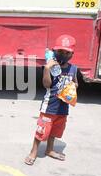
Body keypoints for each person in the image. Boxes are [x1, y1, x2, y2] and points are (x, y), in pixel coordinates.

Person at [24, 35, 78, 166]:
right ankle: (33, 152)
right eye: (60, 51)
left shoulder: (73, 68)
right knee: (41, 130)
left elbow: (76, 83)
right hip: (49, 107)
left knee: (54, 131)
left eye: (67, 52)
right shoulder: (50, 67)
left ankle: (49, 150)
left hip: (63, 108)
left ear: (72, 54)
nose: (63, 54)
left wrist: (73, 87)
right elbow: (46, 85)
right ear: (54, 51)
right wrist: (47, 68)